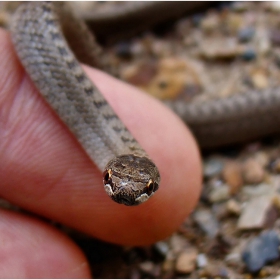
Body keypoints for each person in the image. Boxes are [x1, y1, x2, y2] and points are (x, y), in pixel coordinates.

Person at [0, 28, 201, 278]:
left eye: (146, 188)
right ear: (107, 173)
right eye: (110, 182)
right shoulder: (106, 146)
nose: (124, 196)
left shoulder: (113, 147)